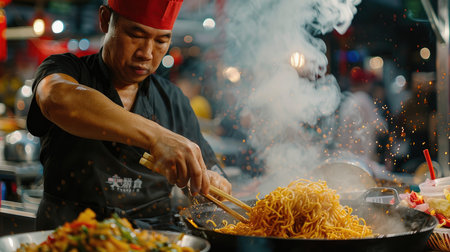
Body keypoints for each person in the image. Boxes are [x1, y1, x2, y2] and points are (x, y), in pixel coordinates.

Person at [26, 0, 231, 231]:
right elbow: (57, 98)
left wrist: (213, 181)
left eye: (161, 40)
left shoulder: (172, 99)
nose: (147, 53)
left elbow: (210, 169)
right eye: (135, 35)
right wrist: (156, 137)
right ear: (105, 19)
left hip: (156, 238)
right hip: (72, 236)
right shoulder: (67, 69)